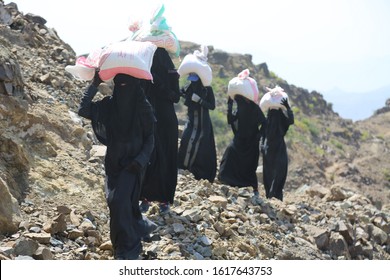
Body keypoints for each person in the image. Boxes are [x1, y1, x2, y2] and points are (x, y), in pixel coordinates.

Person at [78, 72, 156, 260]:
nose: (123, 89)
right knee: (116, 204)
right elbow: (84, 109)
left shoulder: (142, 107)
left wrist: (140, 160)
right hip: (114, 163)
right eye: (118, 85)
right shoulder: (109, 105)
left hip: (134, 164)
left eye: (126, 85)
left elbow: (151, 138)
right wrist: (95, 84)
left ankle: (129, 247)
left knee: (120, 201)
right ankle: (123, 241)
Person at [140, 47, 181, 213]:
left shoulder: (171, 73)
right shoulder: (145, 73)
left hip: (164, 120)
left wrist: (158, 82)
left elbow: (175, 96)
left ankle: (163, 199)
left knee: (165, 157)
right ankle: (146, 197)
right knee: (152, 156)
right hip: (152, 119)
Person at [218, 94, 266, 195]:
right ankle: (227, 181)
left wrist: (259, 135)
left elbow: (265, 123)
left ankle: (252, 188)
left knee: (250, 165)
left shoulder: (255, 108)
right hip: (239, 140)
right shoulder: (240, 108)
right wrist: (229, 106)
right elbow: (230, 120)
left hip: (251, 142)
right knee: (230, 153)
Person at [177, 73, 217, 182]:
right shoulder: (189, 86)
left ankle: (196, 172)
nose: (193, 82)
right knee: (186, 140)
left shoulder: (207, 89)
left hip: (202, 123)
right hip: (191, 121)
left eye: (195, 80)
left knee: (201, 147)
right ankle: (182, 167)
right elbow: (180, 92)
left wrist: (200, 100)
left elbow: (212, 106)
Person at [260, 98, 294, 201]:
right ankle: (269, 196)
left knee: (278, 173)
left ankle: (275, 197)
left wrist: (288, 108)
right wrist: (262, 146)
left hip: (277, 150)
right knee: (268, 175)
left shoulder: (280, 120)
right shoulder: (267, 120)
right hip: (269, 150)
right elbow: (262, 134)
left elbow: (290, 120)